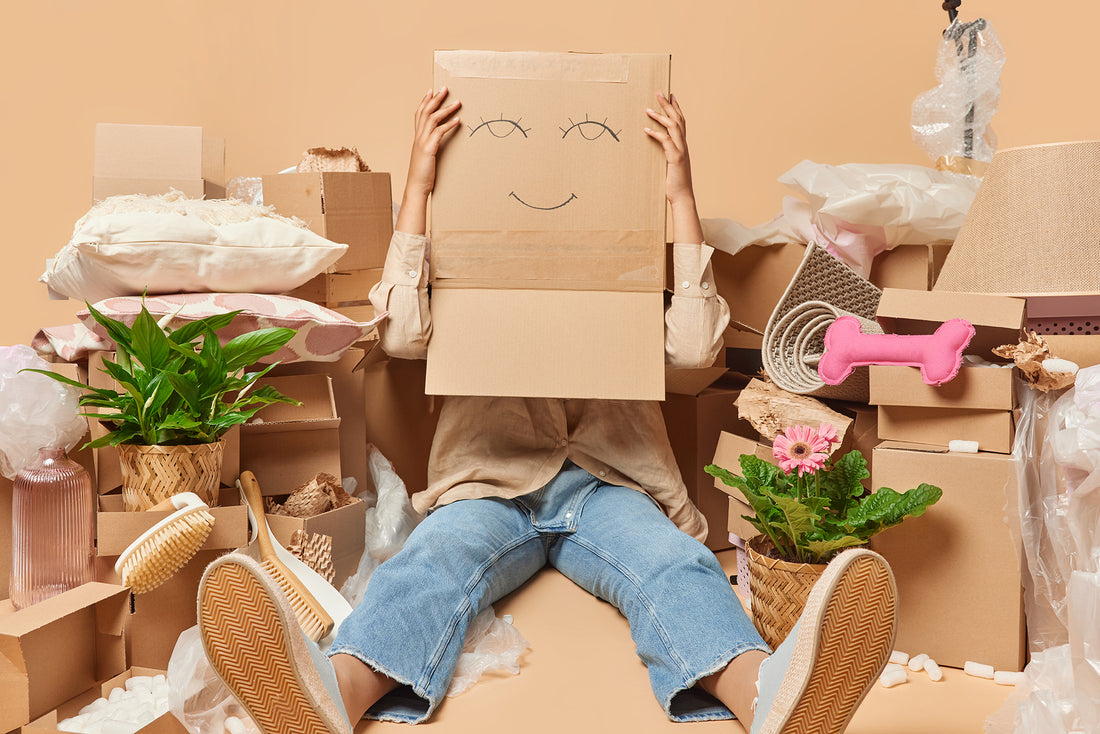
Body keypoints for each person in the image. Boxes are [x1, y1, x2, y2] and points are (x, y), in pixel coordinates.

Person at [197, 87, 898, 734]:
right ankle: (331, 696)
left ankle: (767, 697)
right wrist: (420, 183)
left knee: (675, 566)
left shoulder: (631, 263)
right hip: (488, 482)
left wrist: (679, 194)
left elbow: (693, 352)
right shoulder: (459, 261)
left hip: (610, 482)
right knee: (427, 566)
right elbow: (403, 332)